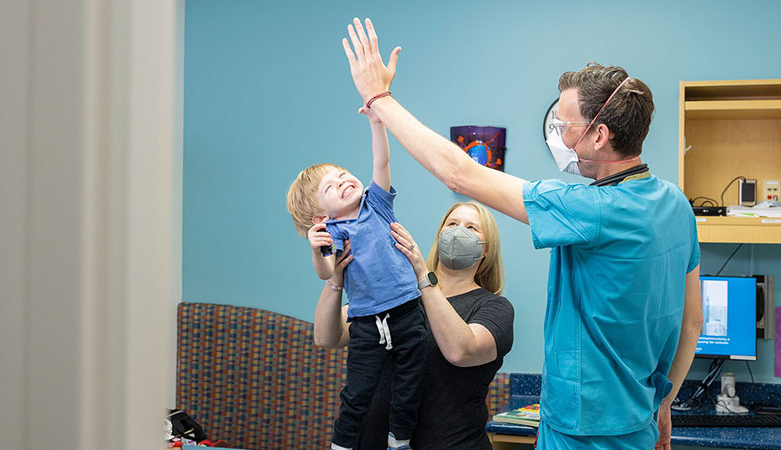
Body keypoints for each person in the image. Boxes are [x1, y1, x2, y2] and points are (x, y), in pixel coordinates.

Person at [340, 18, 703, 450]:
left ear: (599, 135)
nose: (559, 135)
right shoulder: (676, 203)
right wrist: (665, 402)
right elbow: (692, 321)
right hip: (638, 422)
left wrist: (378, 99)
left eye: (564, 125)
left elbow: (460, 173)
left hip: (582, 430)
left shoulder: (591, 208)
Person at [313, 201, 514, 450]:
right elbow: (326, 337)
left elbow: (460, 351)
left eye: (472, 228)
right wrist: (335, 279)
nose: (457, 231)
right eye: (452, 224)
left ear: (486, 249)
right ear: (440, 234)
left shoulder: (495, 308)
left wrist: (421, 275)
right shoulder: (399, 289)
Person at [286, 108, 426, 450]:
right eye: (331, 187)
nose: (343, 180)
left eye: (342, 174)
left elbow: (380, 163)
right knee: (357, 393)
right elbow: (326, 272)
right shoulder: (333, 232)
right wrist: (316, 248)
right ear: (321, 216)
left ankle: (400, 440)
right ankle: (343, 444)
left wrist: (377, 124)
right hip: (366, 322)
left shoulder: (377, 204)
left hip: (409, 311)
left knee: (410, 386)